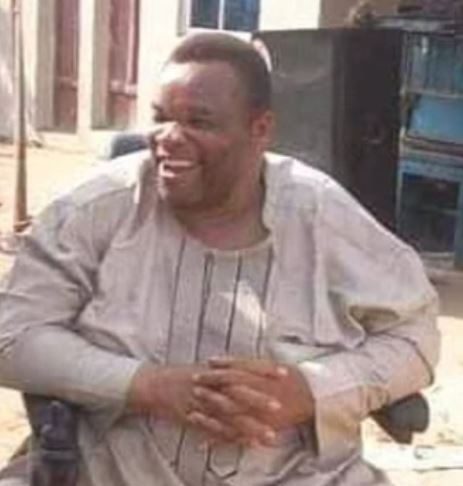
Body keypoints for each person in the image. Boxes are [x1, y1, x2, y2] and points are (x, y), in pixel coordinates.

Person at [0, 32, 440, 486]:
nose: (168, 138)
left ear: (260, 129)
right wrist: (147, 385)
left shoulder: (321, 216)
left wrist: (311, 389)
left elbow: (416, 335)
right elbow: (11, 336)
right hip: (116, 472)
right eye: (161, 117)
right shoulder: (96, 210)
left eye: (199, 122)